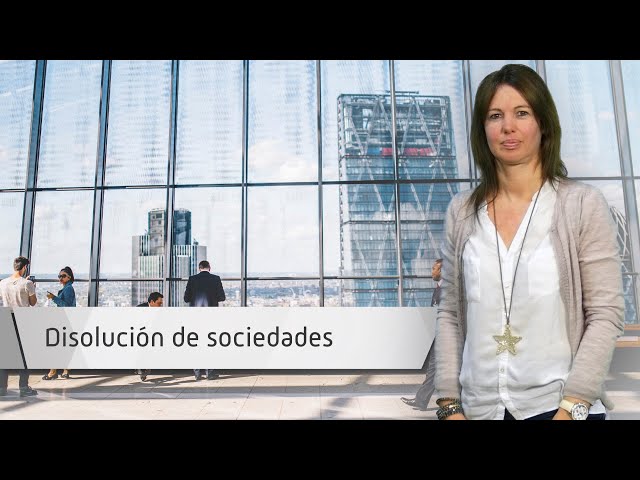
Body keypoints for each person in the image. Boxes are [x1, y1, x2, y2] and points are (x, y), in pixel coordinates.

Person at [434, 64, 624, 421]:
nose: (508, 126)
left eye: (521, 113)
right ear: (482, 130)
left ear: (543, 123)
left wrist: (574, 406)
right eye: (495, 116)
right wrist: (448, 405)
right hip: (478, 410)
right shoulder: (461, 211)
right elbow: (450, 315)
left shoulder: (581, 204)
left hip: (557, 407)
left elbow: (605, 313)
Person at [401, 258, 442, 410]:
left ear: (442, 271)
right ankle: (421, 400)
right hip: (439, 335)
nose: (432, 272)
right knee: (434, 369)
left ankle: (421, 400)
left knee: (436, 369)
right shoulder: (439, 288)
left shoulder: (448, 290)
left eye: (434, 268)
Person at [0, 256, 38, 397]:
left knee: (4, 357)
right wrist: (32, 287)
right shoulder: (27, 283)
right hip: (22, 321)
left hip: (6, 320)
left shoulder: (3, 283)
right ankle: (23, 387)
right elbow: (33, 302)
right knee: (25, 356)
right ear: (25, 267)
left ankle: (2, 388)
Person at [184, 260, 226, 381]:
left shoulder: (192, 279)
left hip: (195, 318)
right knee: (210, 344)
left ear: (199, 268)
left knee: (196, 343)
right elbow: (222, 297)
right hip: (211, 317)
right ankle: (210, 373)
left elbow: (186, 298)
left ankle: (197, 373)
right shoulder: (216, 279)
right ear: (209, 268)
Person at [42, 266, 77, 380]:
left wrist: (53, 298)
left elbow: (67, 306)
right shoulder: (67, 288)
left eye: (63, 276)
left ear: (69, 277)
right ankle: (65, 371)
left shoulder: (68, 289)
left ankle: (53, 372)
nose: (60, 278)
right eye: (59, 276)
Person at [136, 291, 163, 381]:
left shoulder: (159, 312)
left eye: (161, 304)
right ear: (152, 302)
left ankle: (145, 367)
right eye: (159, 303)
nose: (160, 306)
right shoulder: (140, 309)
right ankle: (141, 369)